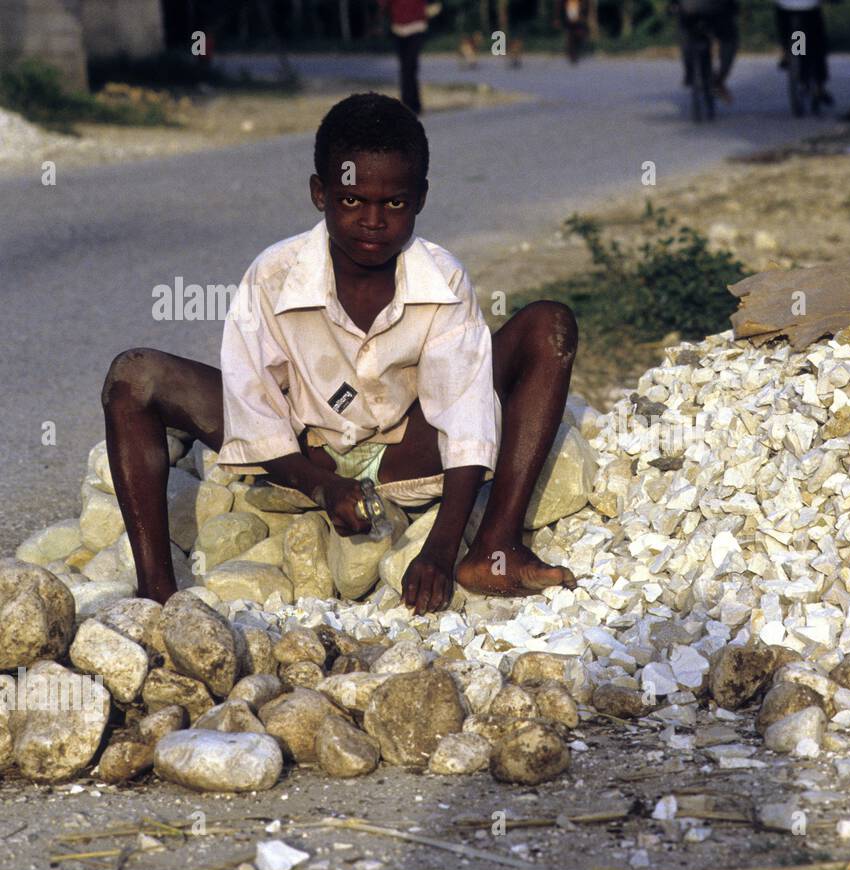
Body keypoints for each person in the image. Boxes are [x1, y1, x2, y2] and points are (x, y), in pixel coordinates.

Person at [100, 93, 580, 614]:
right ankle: (155, 593)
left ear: (419, 198)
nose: (373, 220)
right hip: (304, 454)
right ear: (320, 193)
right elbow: (252, 405)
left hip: (406, 452)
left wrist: (439, 551)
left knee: (548, 325)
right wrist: (324, 488)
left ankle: (494, 546)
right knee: (135, 374)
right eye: (352, 200)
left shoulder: (443, 278)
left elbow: (463, 417)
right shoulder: (274, 275)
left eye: (393, 203)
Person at [377, 0, 442, 113]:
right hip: (398, 27)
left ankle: (413, 105)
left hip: (416, 26)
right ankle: (408, 105)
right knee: (405, 68)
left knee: (410, 66)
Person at [671, 0, 739, 104]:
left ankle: (689, 71)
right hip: (717, 10)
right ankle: (719, 80)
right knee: (729, 40)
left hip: (689, 9)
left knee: (684, 32)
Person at [774, 0, 832, 108]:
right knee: (818, 46)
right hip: (809, 8)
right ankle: (819, 87)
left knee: (791, 34)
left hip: (784, 7)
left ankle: (786, 51)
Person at [555, 0, 590, 65]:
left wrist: (584, 17)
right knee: (570, 37)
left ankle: (575, 52)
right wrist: (558, 18)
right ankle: (572, 55)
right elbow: (559, 7)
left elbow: (585, 7)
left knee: (579, 36)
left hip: (578, 19)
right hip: (568, 19)